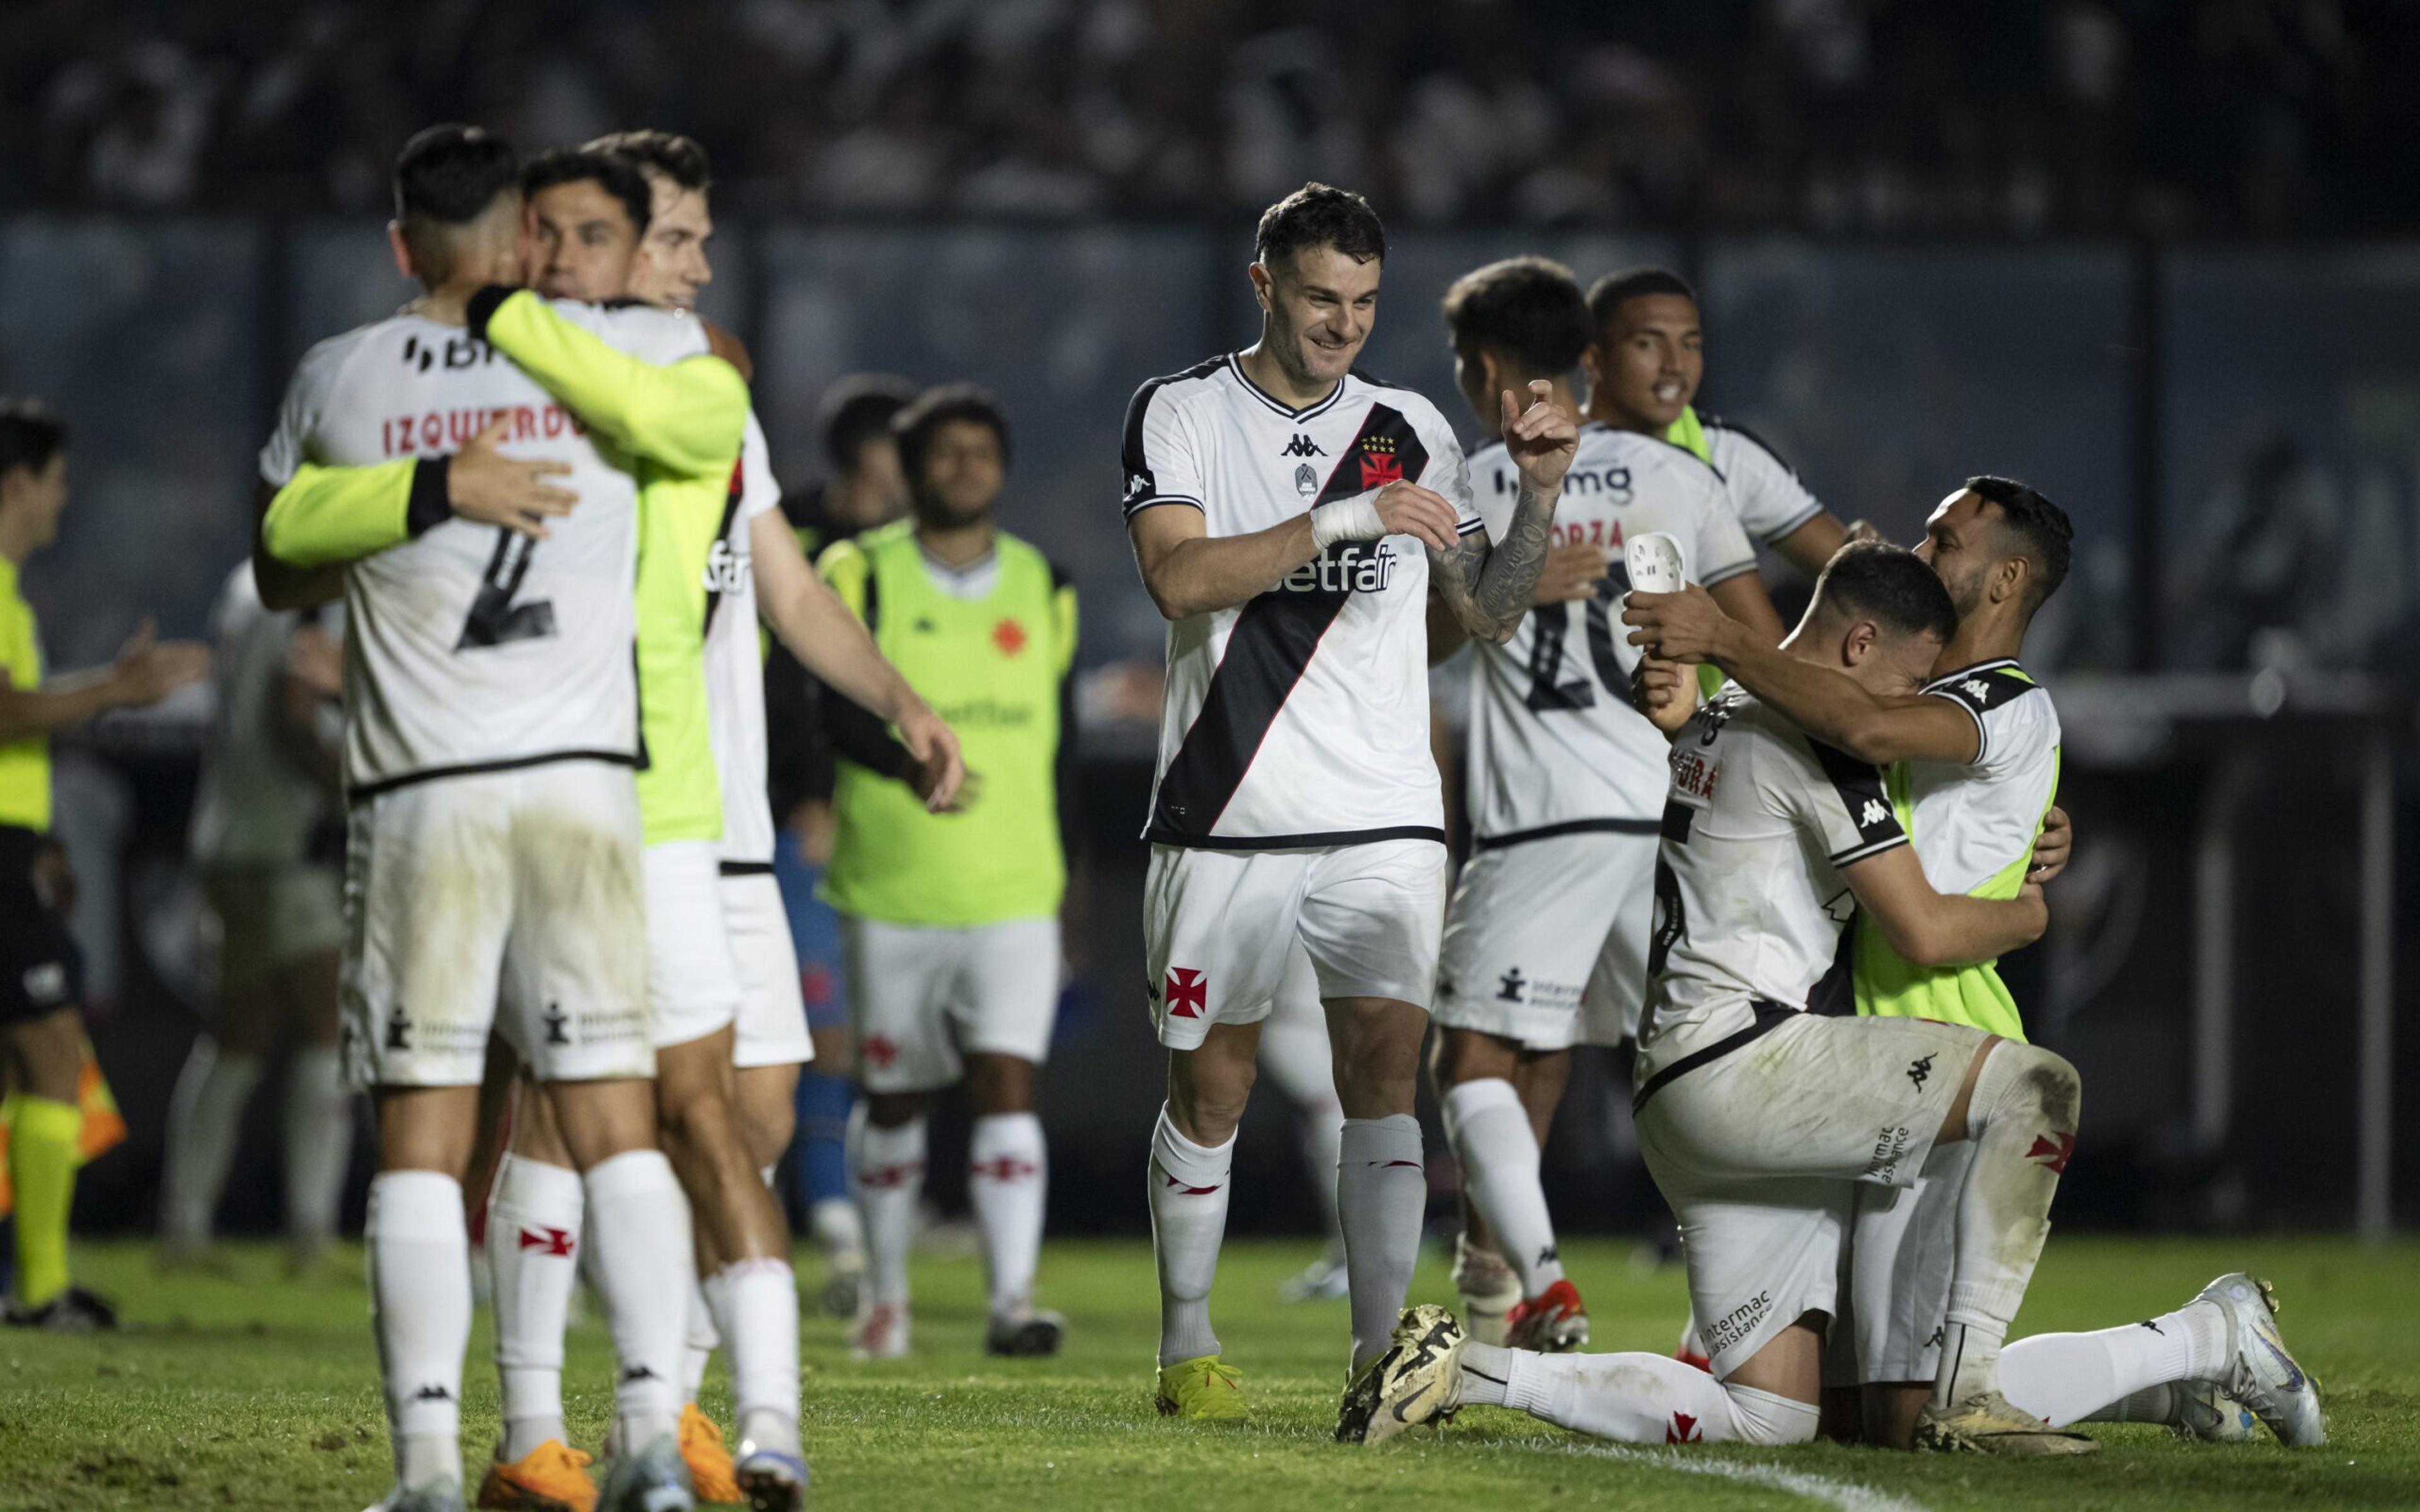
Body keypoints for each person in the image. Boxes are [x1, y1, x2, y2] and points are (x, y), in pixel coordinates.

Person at [253, 122, 747, 1511]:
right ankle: (651, 1444)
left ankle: (423, 1468)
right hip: (589, 792)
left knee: (423, 1137)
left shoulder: (339, 377)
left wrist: (424, 486)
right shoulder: (636, 362)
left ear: (400, 243)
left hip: (424, 804)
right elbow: (681, 429)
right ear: (531, 236)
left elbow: (282, 561)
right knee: (615, 1125)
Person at [1622, 480, 2325, 1451]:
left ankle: (2207, 1338)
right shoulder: (1910, 692)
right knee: (1859, 1417)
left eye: (1944, 537)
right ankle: (2179, 1380)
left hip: (1950, 1046)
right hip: (1860, 1058)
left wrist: (1722, 639)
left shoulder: (2000, 703)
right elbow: (1806, 744)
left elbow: (1861, 738)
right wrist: (1688, 705)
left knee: (1919, 1412)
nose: (1922, 546)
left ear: (2008, 577)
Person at [1349, 544, 2089, 1455]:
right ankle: (1972, 1394)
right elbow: (1927, 932)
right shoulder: (1822, 745)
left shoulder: (1723, 714)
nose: (1903, 705)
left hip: (1680, 1092)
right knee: (2035, 1089)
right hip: (1752, 1063)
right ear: (1861, 646)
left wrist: (2023, 822)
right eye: (1910, 678)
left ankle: (1464, 1370)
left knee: (1771, 1418)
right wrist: (2025, 915)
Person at [468, 137, 959, 1512]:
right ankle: (527, 1436)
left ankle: (674, 1417)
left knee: (741, 1124)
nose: (694, 265)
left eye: (695, 240)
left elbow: (787, 592)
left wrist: (903, 700)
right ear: (602, 248)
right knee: (567, 1117)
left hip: (719, 817)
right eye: (673, 239)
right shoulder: (529, 390)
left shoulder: (712, 397)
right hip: (592, 807)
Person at [1119, 181, 1573, 1432]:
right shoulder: (1185, 411)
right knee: (1211, 1091)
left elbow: (1482, 609)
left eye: (1367, 304)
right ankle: (1187, 1340)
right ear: (1264, 284)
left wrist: (1533, 502)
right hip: (1226, 810)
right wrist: (1349, 516)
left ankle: (1382, 1359)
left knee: (1384, 1072)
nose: (1344, 325)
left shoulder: (1407, 422)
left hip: (1382, 813)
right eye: (1322, 297)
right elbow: (1179, 580)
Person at [1425, 255, 1783, 1352]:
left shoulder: (1475, 485)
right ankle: (1744, 1313)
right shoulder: (1680, 479)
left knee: (1473, 1059)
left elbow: (1421, 646)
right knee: (1682, 1071)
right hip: (1671, 809)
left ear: (1483, 369)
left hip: (1546, 816)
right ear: (1584, 359)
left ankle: (1534, 1291)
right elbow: (1760, 645)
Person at [826, 384, 1076, 1360]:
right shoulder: (860, 573)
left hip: (1017, 884)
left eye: (983, 451)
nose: (965, 467)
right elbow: (830, 707)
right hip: (893, 882)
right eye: (946, 452)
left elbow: (1054, 747)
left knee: (1008, 1082)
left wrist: (1075, 885)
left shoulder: (1045, 582)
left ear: (1004, 469)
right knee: (893, 1100)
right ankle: (885, 1300)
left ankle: (1011, 1299)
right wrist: (902, 762)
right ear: (912, 467)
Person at [0, 398, 207, 1330]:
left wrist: (40, 840)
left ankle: (36, 1285)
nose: (61, 499)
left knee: (32, 1065)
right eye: (55, 480)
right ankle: (39, 1291)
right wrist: (117, 690)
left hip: (12, 852)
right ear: (16, 483)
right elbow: (5, 711)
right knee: (49, 1054)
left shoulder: (13, 594)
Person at [767, 372, 918, 1315]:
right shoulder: (782, 536)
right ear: (873, 458)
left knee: (867, 1046)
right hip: (788, 822)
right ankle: (835, 1241)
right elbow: (785, 685)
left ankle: (846, 1235)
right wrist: (808, 794)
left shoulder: (902, 550)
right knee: (816, 1042)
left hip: (888, 830)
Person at [159, 563, 349, 1275]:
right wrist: (354, 787)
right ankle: (310, 1232)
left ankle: (184, 1227)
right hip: (284, 846)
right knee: (328, 1028)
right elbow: (292, 710)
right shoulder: (315, 584)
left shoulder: (246, 580)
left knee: (238, 1036)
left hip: (230, 831)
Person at [1577, 266, 1848, 579]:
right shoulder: (1543, 466)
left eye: (1690, 345)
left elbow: (1854, 574)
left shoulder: (1728, 453)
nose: (1675, 366)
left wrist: (1871, 560)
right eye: (1648, 344)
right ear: (1594, 360)